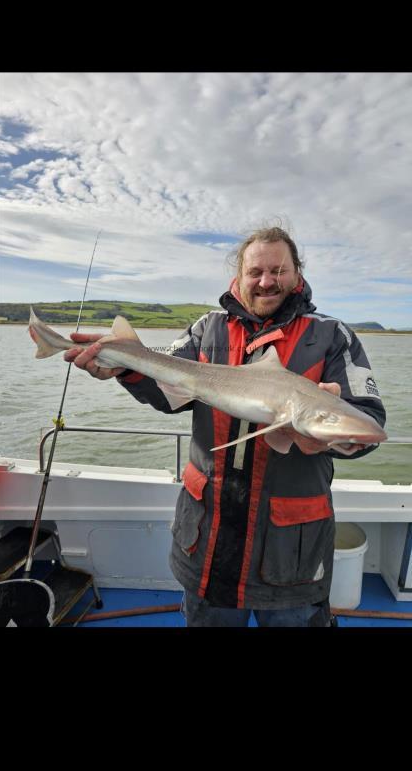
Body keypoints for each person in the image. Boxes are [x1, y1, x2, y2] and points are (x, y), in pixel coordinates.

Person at [64, 226, 386, 627]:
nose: (266, 281)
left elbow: (370, 422)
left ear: (297, 274)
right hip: (208, 540)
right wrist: (125, 369)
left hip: (291, 550)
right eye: (256, 272)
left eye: (278, 270)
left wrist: (329, 441)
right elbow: (167, 394)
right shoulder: (207, 329)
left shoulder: (332, 336)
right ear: (239, 276)